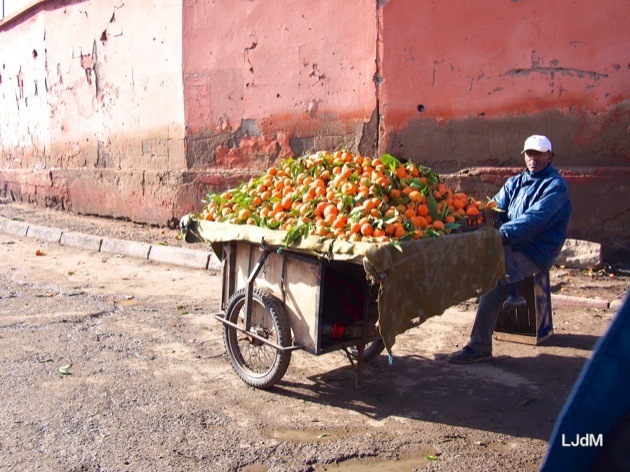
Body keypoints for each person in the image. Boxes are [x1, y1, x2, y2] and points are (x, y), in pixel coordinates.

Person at [448, 135, 572, 364]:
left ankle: (480, 346)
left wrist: (501, 234)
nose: (533, 159)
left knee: (495, 272)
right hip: (511, 244)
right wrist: (467, 219)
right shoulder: (515, 182)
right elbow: (494, 208)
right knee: (486, 263)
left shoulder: (556, 187)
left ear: (550, 156)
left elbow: (534, 220)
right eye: (529, 153)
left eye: (538, 154)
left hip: (537, 251)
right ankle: (509, 296)